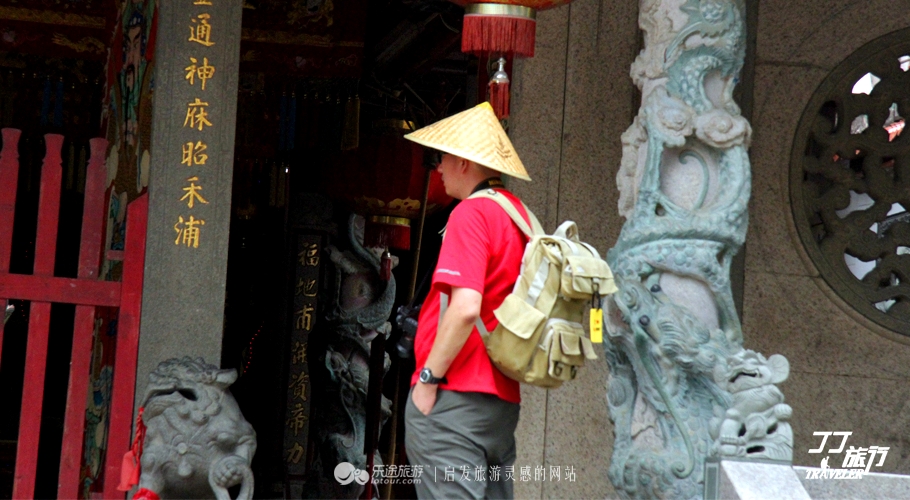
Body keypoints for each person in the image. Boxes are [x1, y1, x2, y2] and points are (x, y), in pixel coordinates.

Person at [402, 102, 535, 499]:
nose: (438, 168)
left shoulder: (471, 213)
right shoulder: (518, 214)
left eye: (441, 158)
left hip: (454, 396)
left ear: (463, 161)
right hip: (499, 401)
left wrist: (428, 379)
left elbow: (464, 308)